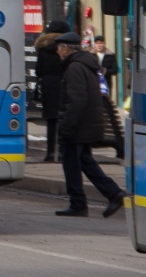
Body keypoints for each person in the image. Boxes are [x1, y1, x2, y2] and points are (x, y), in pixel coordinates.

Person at [54, 31, 128, 217]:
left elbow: (77, 101)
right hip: (87, 124)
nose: (57, 52)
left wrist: (67, 128)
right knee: (85, 162)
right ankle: (114, 193)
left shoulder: (74, 68)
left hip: (78, 126)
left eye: (59, 48)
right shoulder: (85, 64)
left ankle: (78, 203)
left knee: (71, 164)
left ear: (66, 49)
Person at [33, 20, 69, 162]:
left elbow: (38, 71)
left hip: (49, 87)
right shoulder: (65, 48)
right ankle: (61, 153)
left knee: (51, 122)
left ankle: (49, 153)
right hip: (64, 85)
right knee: (62, 120)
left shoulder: (43, 49)